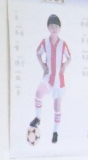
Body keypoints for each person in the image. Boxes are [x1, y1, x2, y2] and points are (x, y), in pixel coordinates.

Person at [26, 13, 70, 146]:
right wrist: (43, 66)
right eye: (52, 26)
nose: (54, 28)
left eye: (56, 26)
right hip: (48, 77)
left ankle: (55, 132)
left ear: (59, 28)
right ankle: (38, 117)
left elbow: (69, 57)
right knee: (38, 93)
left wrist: (64, 66)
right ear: (48, 28)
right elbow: (38, 53)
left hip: (59, 80)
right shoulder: (45, 42)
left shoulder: (63, 44)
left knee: (57, 106)